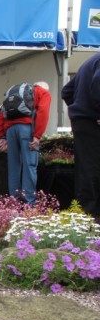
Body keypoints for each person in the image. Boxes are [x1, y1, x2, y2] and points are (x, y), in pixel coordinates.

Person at [0, 82, 51, 205]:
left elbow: (1, 114)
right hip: (27, 129)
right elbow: (43, 113)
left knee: (13, 167)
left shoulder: (18, 93)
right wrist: (37, 135)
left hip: (10, 131)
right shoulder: (43, 92)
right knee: (29, 166)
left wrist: (2, 136)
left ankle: (14, 202)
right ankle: (29, 203)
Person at [62, 52, 100, 219]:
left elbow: (66, 91)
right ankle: (92, 216)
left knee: (86, 169)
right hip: (91, 120)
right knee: (92, 170)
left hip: (82, 120)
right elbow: (97, 84)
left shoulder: (90, 61)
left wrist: (78, 109)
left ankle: (85, 216)